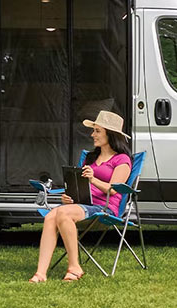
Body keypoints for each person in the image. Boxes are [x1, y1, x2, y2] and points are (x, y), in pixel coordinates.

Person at [28, 110, 132, 283]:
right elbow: (78, 185)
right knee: (51, 217)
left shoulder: (122, 160)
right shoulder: (91, 158)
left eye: (97, 131)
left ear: (110, 134)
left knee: (63, 213)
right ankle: (40, 273)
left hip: (105, 208)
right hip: (82, 205)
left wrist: (93, 178)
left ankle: (74, 266)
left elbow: (114, 190)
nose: (93, 135)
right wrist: (69, 197)